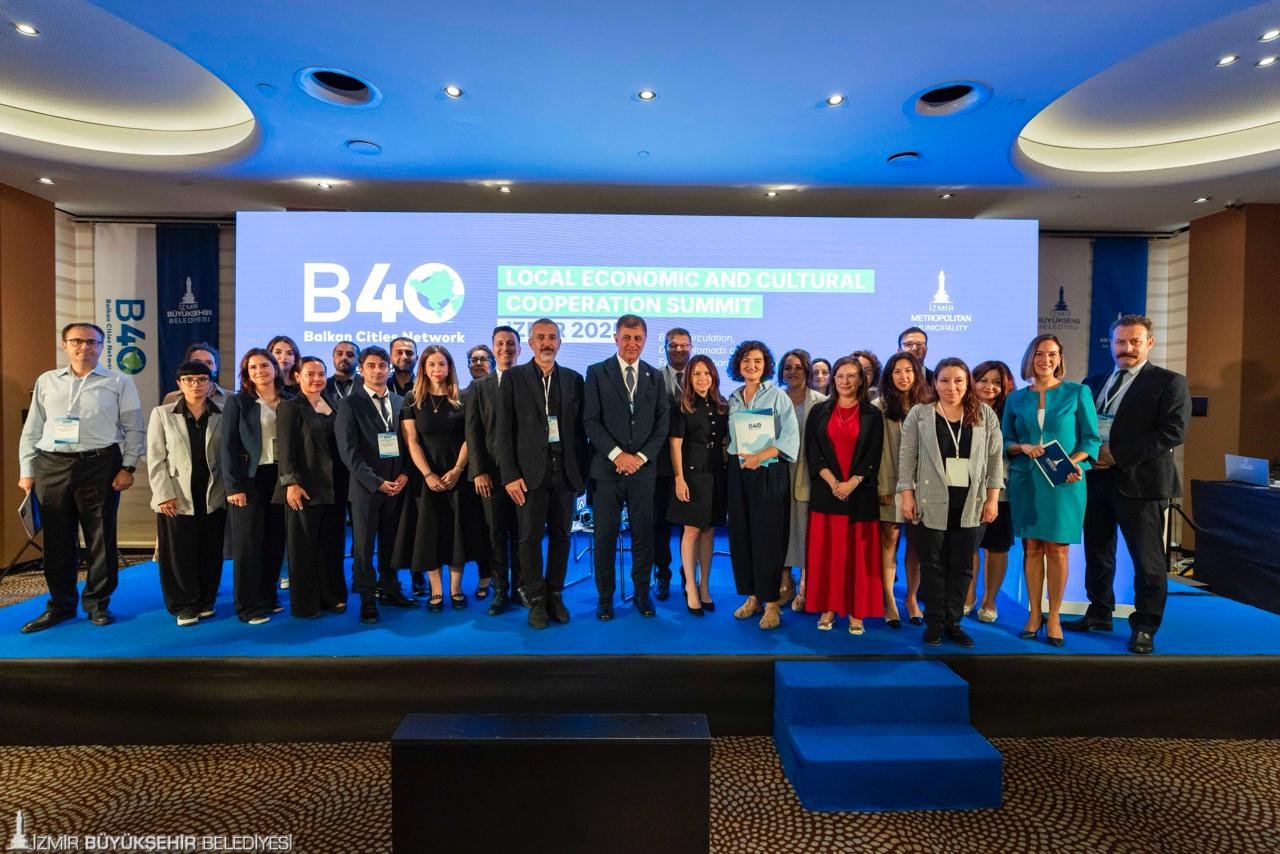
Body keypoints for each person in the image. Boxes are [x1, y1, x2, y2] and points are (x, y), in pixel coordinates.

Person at [1069, 315, 1192, 655]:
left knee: (1147, 561)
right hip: (1095, 479)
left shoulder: (1169, 382)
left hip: (1141, 484)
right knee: (1097, 551)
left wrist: (1118, 456)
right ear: (1111, 344)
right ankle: (1099, 612)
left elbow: (1173, 432)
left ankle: (1145, 626)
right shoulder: (1092, 383)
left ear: (1149, 343)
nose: (1127, 348)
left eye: (1134, 342)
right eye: (1120, 342)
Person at [17, 322, 145, 633]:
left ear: (101, 346)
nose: (84, 347)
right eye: (77, 341)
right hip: (51, 465)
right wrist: (26, 470)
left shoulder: (119, 381)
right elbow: (32, 428)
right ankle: (61, 605)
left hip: (99, 464)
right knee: (57, 540)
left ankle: (97, 603)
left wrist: (128, 467)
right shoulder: (47, 380)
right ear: (64, 345)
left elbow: (134, 427)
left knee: (100, 537)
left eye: (92, 342)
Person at [1003, 333, 1100, 647]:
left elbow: (1091, 440)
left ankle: (1054, 616)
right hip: (1027, 481)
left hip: (1064, 481)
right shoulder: (1016, 398)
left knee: (1057, 549)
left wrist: (1075, 462)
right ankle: (1034, 614)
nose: (1046, 360)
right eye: (1040, 354)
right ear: (1030, 358)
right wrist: (1022, 446)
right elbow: (1004, 440)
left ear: (1060, 359)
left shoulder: (1078, 392)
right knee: (1031, 547)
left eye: (1052, 354)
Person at [898, 358, 1004, 647]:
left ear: (968, 383)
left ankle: (954, 623)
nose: (952, 387)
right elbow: (906, 459)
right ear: (935, 383)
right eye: (944, 380)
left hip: (971, 502)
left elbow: (995, 460)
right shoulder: (920, 414)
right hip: (929, 500)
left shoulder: (984, 414)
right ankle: (934, 623)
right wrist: (906, 495)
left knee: (962, 567)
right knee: (931, 566)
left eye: (958, 380)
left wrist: (993, 498)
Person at [495, 318, 589, 629]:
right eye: (540, 337)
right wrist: (509, 475)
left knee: (562, 536)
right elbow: (503, 431)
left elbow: (581, 433)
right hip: (527, 476)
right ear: (531, 343)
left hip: (566, 474)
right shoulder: (513, 378)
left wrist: (581, 475)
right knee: (529, 537)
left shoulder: (574, 380)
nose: (546, 343)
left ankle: (554, 593)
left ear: (559, 343)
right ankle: (535, 597)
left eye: (551, 337)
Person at [583, 314, 670, 620]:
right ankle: (605, 598)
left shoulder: (654, 376)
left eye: (638, 338)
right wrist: (618, 455)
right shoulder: (596, 372)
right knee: (605, 537)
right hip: (607, 472)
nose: (632, 343)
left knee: (644, 535)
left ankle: (642, 594)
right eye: (626, 337)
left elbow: (662, 423)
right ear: (616, 338)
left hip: (643, 473)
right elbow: (590, 420)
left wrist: (641, 458)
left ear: (644, 341)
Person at [401, 345, 487, 612]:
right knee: (430, 533)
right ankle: (436, 591)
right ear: (423, 369)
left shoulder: (463, 397)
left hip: (457, 476)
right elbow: (412, 440)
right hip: (426, 478)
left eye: (442, 364)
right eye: (431, 364)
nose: (437, 369)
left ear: (449, 367)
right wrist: (428, 474)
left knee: (457, 532)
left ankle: (456, 589)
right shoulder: (412, 399)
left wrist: (458, 469)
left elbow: (470, 437)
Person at [337, 345, 417, 624]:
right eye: (371, 366)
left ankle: (390, 588)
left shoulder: (400, 401)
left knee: (391, 542)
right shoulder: (350, 403)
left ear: (389, 368)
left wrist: (405, 474)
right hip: (366, 488)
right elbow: (348, 452)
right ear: (361, 369)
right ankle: (367, 599)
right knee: (363, 546)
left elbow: (410, 443)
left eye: (382, 366)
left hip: (397, 485)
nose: (377, 371)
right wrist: (376, 482)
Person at [804, 357, 884, 635]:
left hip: (860, 495)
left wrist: (851, 483)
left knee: (857, 558)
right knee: (829, 556)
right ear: (833, 379)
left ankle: (856, 610)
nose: (845, 381)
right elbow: (813, 452)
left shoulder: (872, 415)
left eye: (852, 376)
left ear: (861, 380)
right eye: (840, 375)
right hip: (826, 493)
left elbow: (873, 455)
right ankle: (828, 607)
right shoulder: (819, 411)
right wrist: (834, 483)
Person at [725, 340, 800, 630]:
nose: (751, 365)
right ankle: (753, 597)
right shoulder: (734, 398)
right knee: (742, 534)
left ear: (766, 364)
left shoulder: (778, 396)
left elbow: (790, 436)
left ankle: (771, 604)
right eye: (746, 360)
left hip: (769, 470)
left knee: (768, 537)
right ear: (738, 365)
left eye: (757, 360)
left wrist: (760, 456)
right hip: (740, 471)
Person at [147, 360, 226, 626]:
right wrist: (163, 494)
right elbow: (156, 458)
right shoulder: (162, 414)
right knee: (179, 553)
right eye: (189, 380)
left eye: (202, 379)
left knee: (210, 550)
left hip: (213, 494)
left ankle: (206, 600)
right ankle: (184, 605)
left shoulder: (222, 412)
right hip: (176, 495)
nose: (196, 385)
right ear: (179, 384)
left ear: (211, 383)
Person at [222, 348, 290, 624]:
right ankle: (248, 606)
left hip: (282, 477)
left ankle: (268, 596)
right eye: (253, 368)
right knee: (249, 544)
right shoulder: (239, 403)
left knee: (275, 540)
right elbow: (227, 447)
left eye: (264, 365)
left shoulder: (289, 399)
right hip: (249, 480)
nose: (259, 371)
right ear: (246, 374)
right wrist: (233, 487)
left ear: (275, 368)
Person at [276, 356, 348, 618]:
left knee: (332, 542)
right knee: (304, 546)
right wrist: (291, 482)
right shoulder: (289, 407)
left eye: (320, 374)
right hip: (305, 486)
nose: (317, 379)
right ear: (298, 377)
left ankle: (332, 596)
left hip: (336, 485)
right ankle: (306, 604)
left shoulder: (334, 402)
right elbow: (285, 449)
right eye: (310, 374)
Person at [465, 325, 524, 615]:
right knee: (496, 534)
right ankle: (500, 590)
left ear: (519, 349)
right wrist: (478, 471)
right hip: (491, 474)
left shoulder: (529, 381)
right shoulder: (479, 387)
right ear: (493, 349)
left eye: (510, 343)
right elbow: (473, 432)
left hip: (525, 475)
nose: (505, 348)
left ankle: (522, 588)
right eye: (500, 344)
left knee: (523, 534)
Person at [668, 354, 729, 615]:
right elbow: (675, 445)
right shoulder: (682, 406)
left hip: (717, 476)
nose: (702, 378)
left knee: (708, 531)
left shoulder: (722, 405)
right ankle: (690, 587)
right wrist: (679, 478)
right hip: (691, 476)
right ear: (689, 378)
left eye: (706, 373)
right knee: (691, 531)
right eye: (696, 374)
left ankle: (705, 586)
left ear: (713, 376)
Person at [875, 351, 931, 628]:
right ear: (889, 376)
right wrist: (884, 486)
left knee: (917, 544)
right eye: (897, 371)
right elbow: (879, 451)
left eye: (908, 370)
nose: (903, 376)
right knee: (889, 540)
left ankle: (910, 598)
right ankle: (889, 600)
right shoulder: (879, 406)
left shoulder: (930, 405)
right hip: (890, 484)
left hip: (924, 487)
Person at [967, 360, 1017, 623]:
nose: (990, 386)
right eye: (984, 380)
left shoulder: (1013, 411)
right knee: (968, 544)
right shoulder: (962, 408)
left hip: (1002, 490)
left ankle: (990, 600)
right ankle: (968, 595)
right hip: (967, 488)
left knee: (997, 545)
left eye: (997, 382)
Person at [778, 349, 826, 610]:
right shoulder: (774, 399)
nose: (793, 372)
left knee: (807, 530)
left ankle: (807, 584)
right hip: (778, 474)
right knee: (782, 528)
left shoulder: (821, 402)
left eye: (798, 367)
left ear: (807, 370)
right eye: (788, 367)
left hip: (810, 475)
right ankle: (785, 582)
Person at [652, 327, 691, 600]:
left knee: (691, 526)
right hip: (660, 463)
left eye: (683, 345)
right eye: (673, 345)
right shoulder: (653, 378)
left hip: (693, 464)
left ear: (691, 347)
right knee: (660, 524)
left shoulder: (701, 377)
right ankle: (662, 574)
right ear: (665, 348)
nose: (678, 349)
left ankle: (688, 577)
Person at [161, 342, 231, 408]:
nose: (203, 366)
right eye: (197, 362)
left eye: (209, 363)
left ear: (216, 367)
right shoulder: (172, 398)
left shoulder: (230, 397)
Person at [323, 340, 362, 406]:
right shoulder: (323, 386)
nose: (344, 358)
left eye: (350, 355)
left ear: (359, 360)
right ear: (333, 358)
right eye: (339, 354)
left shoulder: (368, 384)